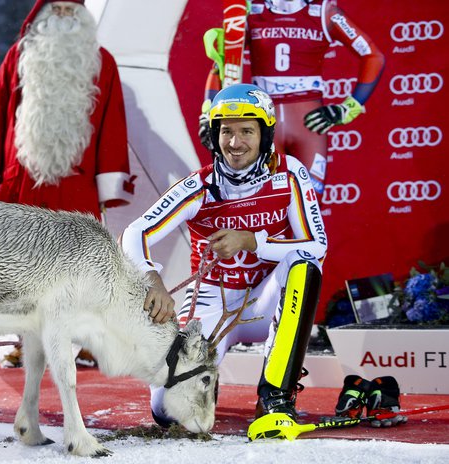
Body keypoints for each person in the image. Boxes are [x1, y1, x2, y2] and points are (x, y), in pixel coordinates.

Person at [121, 84, 327, 426]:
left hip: (266, 300)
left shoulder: (290, 173)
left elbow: (318, 245)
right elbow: (134, 232)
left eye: (247, 131)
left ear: (265, 134)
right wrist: (151, 279)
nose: (235, 143)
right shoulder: (200, 186)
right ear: (214, 135)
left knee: (304, 265)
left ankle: (275, 396)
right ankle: (202, 378)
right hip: (211, 305)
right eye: (226, 132)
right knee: (168, 412)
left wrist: (252, 242)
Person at [0, 0, 134, 366]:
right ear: (40, 14)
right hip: (22, 180)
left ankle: (88, 339)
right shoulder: (18, 57)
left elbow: (111, 125)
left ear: (84, 16)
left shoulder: (102, 62)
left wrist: (108, 186)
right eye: (56, 9)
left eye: (71, 11)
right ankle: (28, 342)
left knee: (79, 265)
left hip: (76, 183)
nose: (63, 17)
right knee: (20, 264)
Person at [200, 0, 385, 196]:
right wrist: (208, 114)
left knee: (310, 201)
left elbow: (373, 56)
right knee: (263, 204)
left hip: (307, 122)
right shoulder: (251, 11)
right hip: (264, 120)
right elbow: (225, 64)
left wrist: (348, 108)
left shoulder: (324, 12)